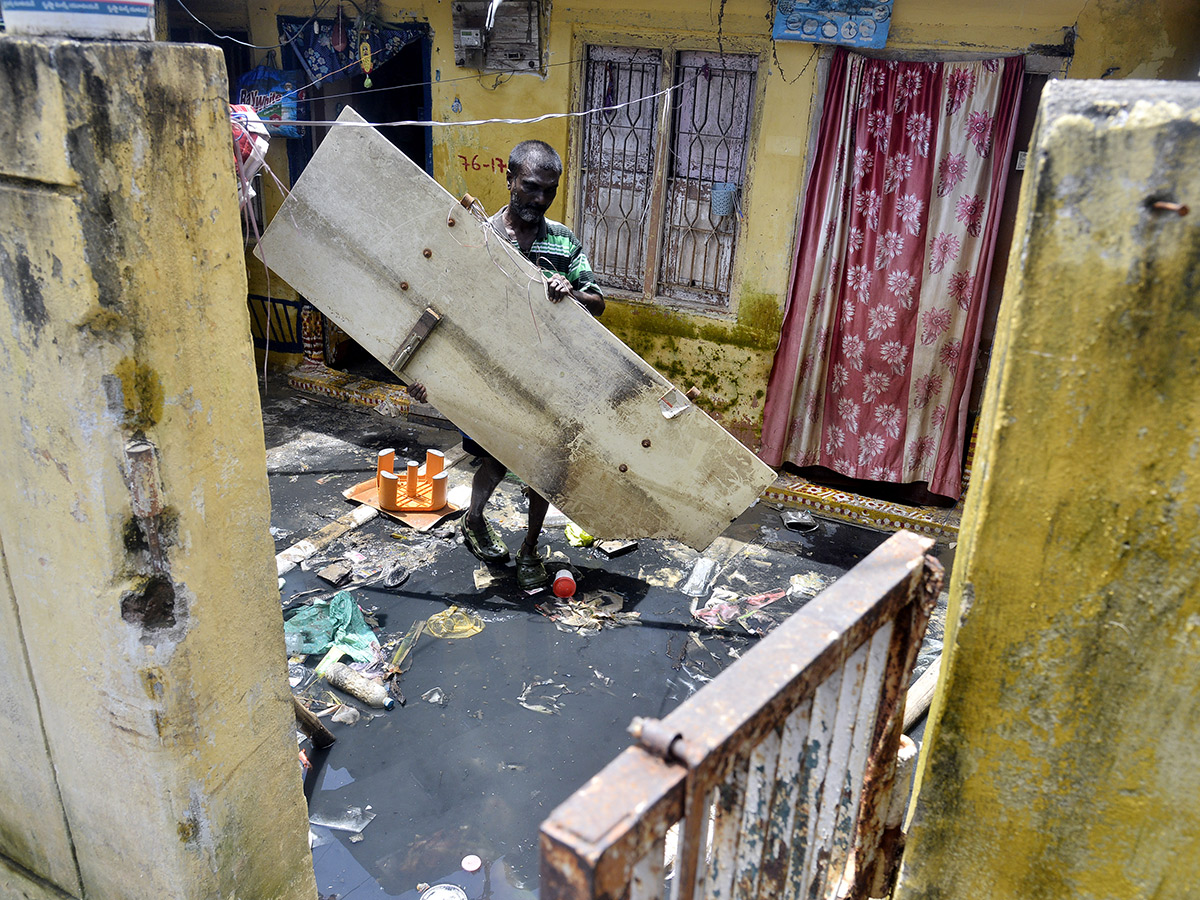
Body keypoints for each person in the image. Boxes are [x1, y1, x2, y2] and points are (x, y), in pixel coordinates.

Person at [408, 140, 604, 590]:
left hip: (547, 380)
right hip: (489, 377)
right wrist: (423, 375)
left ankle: (531, 548)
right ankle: (474, 520)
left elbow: (598, 302)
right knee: (494, 458)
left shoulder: (562, 241)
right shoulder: (480, 236)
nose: (539, 199)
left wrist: (571, 291)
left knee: (542, 470)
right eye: (531, 187)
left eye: (549, 191)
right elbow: (444, 308)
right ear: (510, 179)